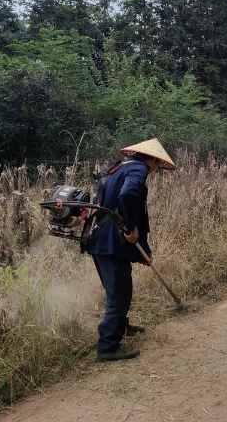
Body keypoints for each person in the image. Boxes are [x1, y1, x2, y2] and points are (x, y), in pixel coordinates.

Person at [84, 138, 176, 362]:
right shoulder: (139, 168)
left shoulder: (121, 167)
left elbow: (124, 203)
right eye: (156, 165)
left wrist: (143, 248)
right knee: (120, 295)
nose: (154, 170)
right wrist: (130, 227)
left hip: (99, 239)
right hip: (110, 242)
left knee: (118, 290)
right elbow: (128, 196)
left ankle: (120, 327)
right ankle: (107, 347)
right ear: (152, 159)